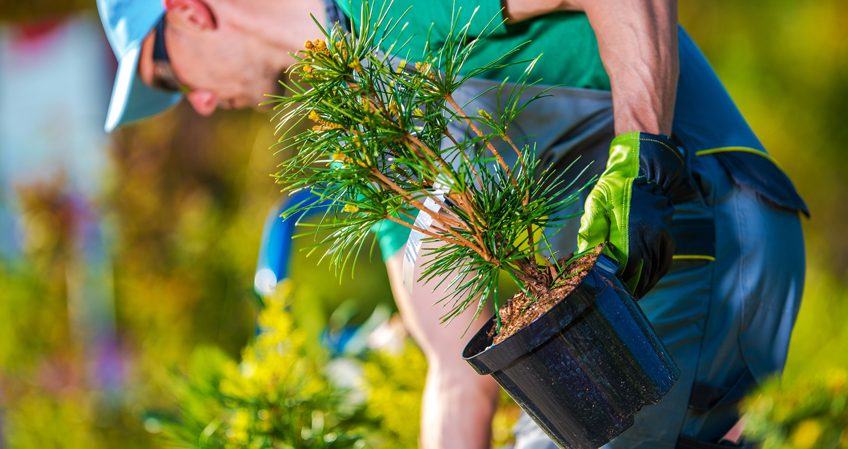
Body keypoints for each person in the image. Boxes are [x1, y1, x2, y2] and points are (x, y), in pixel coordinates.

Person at [97, 0, 808, 448]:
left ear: (188, 10)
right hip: (609, 308)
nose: (197, 102)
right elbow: (454, 369)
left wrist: (643, 155)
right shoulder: (365, 127)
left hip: (695, 220)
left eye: (167, 77)